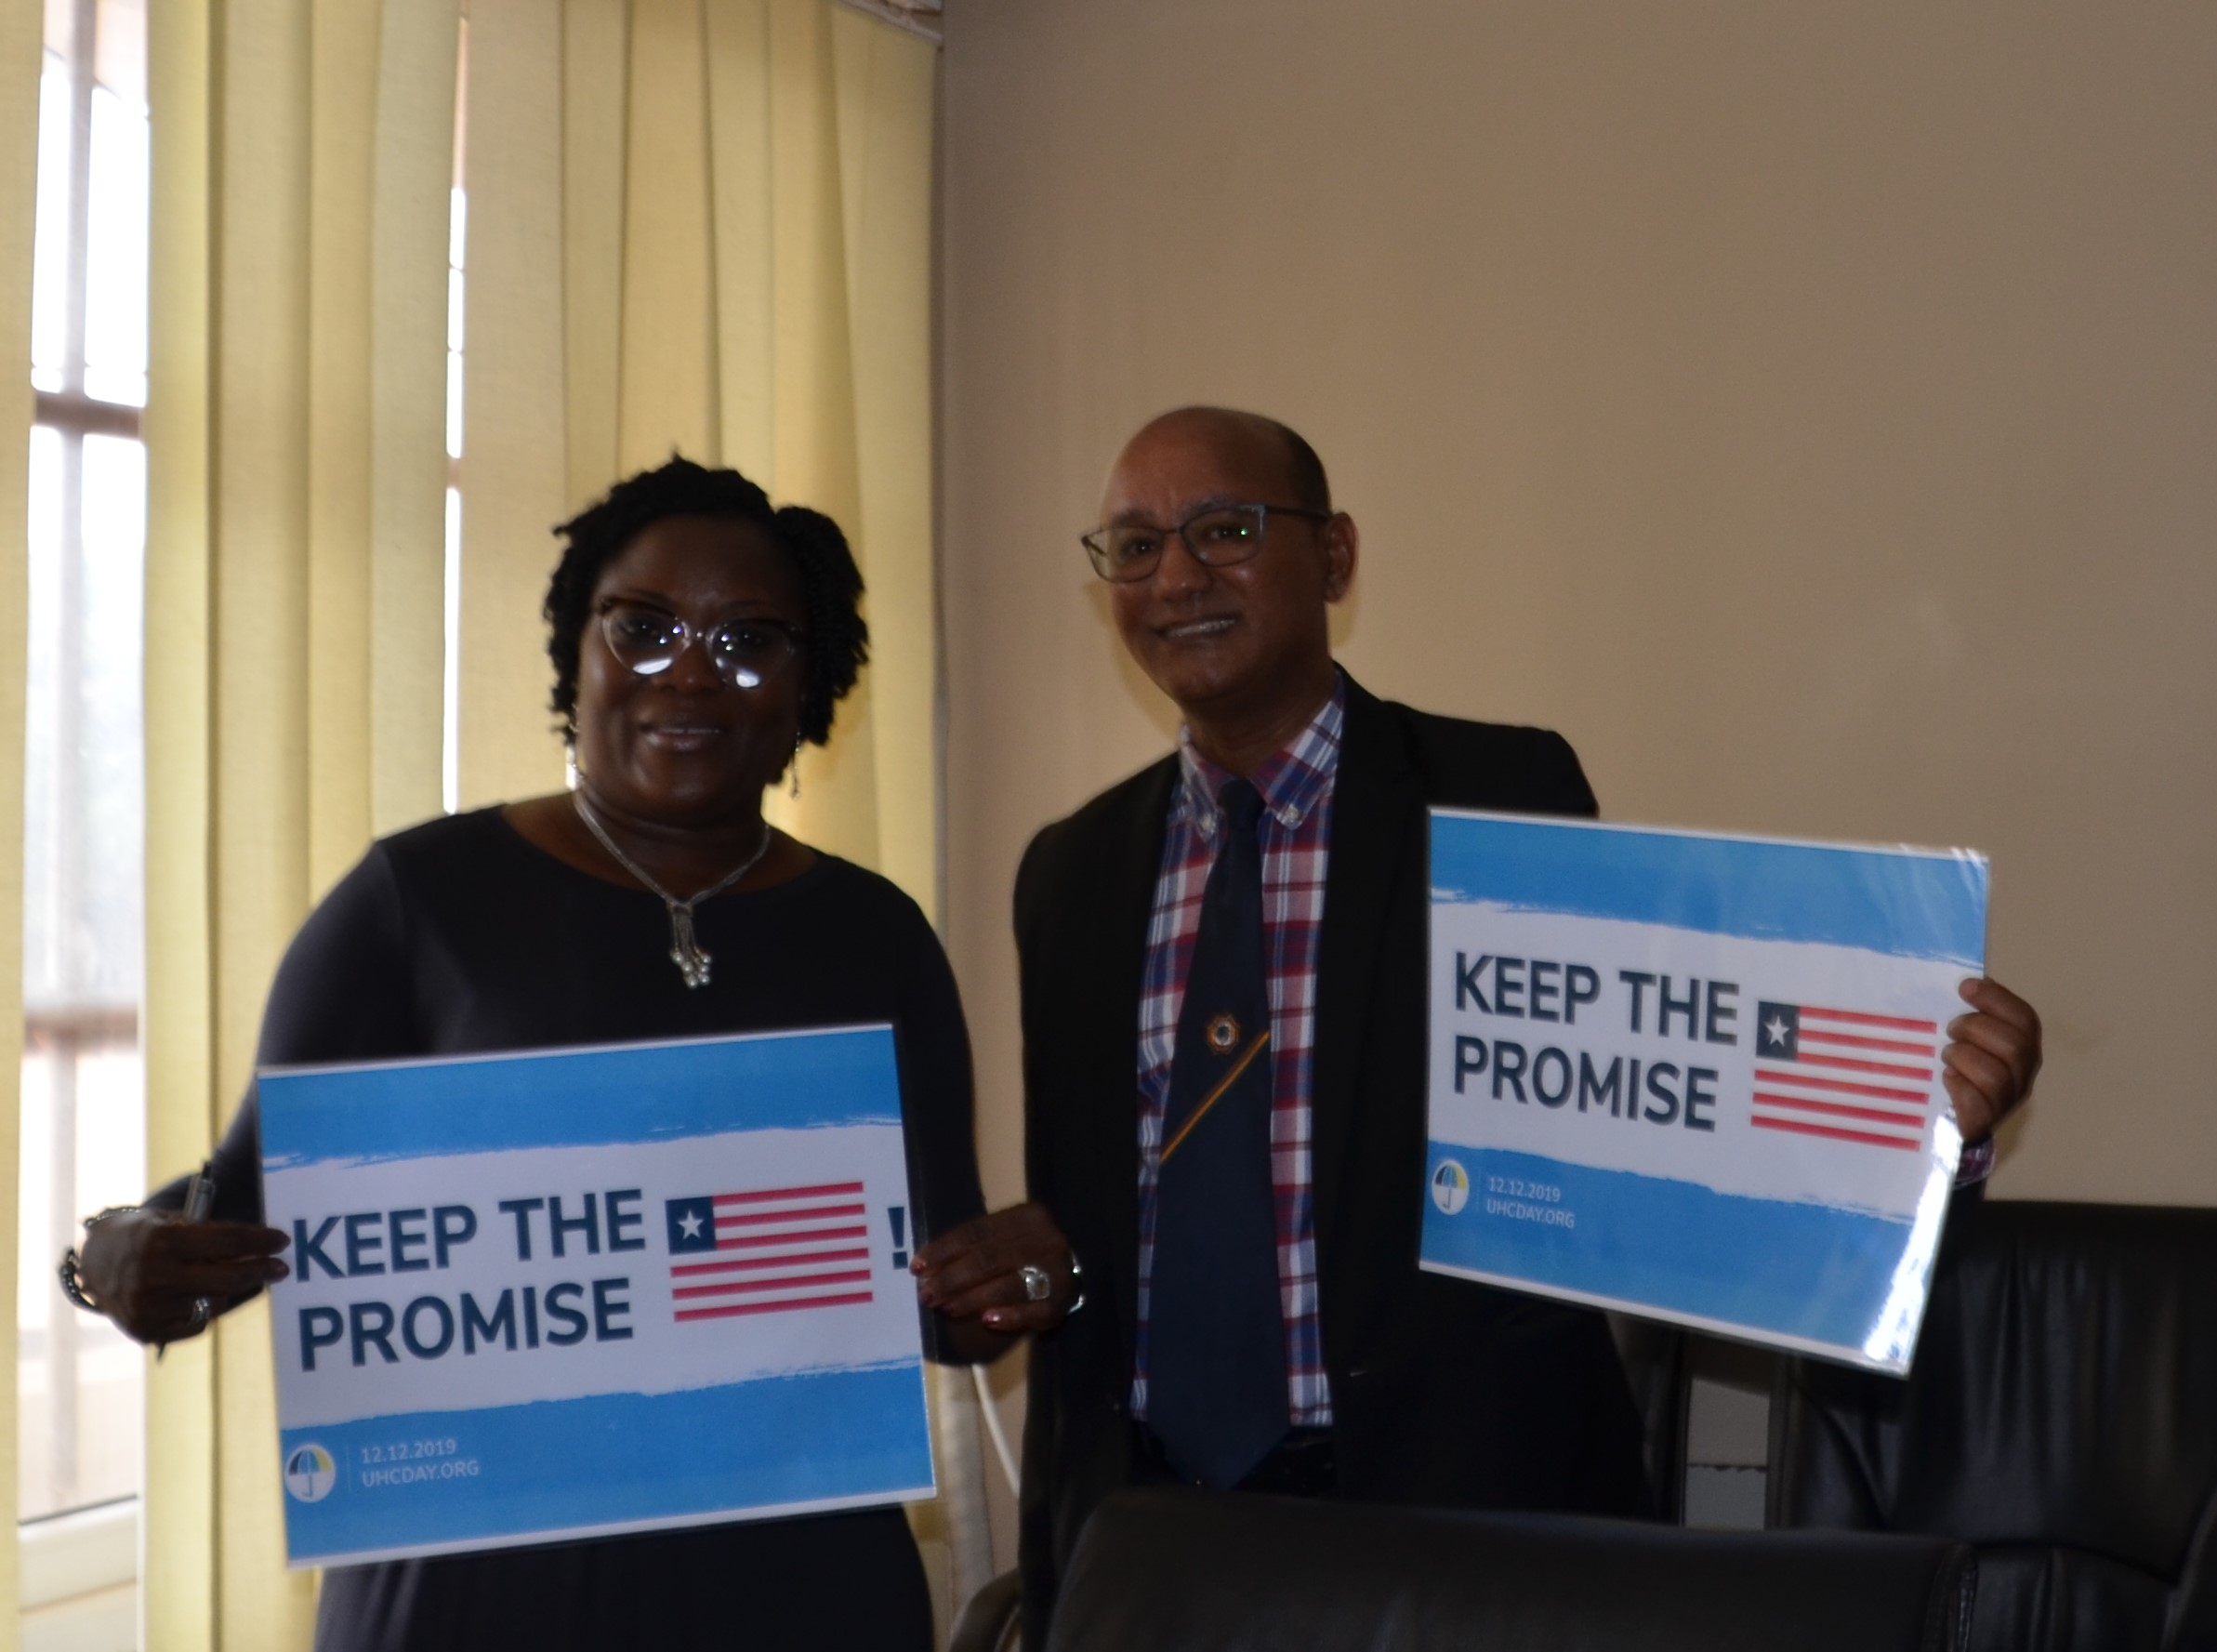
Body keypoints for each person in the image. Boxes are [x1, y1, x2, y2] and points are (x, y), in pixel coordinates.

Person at [957, 405, 2044, 1643]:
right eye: (1134, 544)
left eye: (1225, 528)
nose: (1176, 575)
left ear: (1336, 557)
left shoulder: (1501, 799)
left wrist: (1920, 1119)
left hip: (1458, 1543)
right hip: (1153, 1553)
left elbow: (1666, 1113)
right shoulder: (1071, 871)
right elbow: (1108, 1222)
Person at [65, 457, 1074, 1651]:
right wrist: (117, 1260)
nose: (693, 669)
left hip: (796, 1597)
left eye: (751, 641)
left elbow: (933, 1302)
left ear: (811, 684)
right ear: (575, 648)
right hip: (474, 1605)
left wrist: (1023, 1280)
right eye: (644, 630)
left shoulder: (877, 935)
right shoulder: (416, 903)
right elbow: (234, 1214)